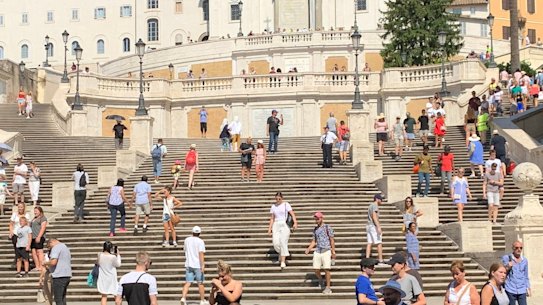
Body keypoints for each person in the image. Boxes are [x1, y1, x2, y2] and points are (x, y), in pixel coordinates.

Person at [304, 211, 336, 294]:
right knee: (316, 268)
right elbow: (314, 241)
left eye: (318, 219)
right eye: (316, 219)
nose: (316, 220)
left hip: (326, 249)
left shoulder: (327, 227)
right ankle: (321, 279)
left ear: (321, 218)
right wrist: (309, 248)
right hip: (318, 250)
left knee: (326, 268)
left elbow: (331, 239)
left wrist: (333, 251)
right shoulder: (315, 229)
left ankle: (328, 287)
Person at [268, 192, 298, 269]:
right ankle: (282, 253)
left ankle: (283, 261)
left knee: (283, 242)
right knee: (276, 243)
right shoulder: (273, 206)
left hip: (284, 224)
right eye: (276, 198)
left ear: (282, 198)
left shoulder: (286, 204)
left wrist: (295, 222)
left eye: (279, 198)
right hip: (276, 224)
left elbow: (292, 213)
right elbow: (272, 218)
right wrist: (269, 228)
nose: (278, 200)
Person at [181, 226, 207, 305]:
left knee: (188, 282)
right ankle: (202, 300)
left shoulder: (187, 240)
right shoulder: (200, 241)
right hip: (197, 265)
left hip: (189, 264)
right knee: (200, 283)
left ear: (192, 232)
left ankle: (183, 297)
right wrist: (202, 265)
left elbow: (185, 250)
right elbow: (201, 253)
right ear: (199, 233)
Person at [44, 237, 72, 305]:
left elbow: (53, 262)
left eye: (49, 247)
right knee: (63, 297)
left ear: (51, 242)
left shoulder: (56, 248)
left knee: (58, 299)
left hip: (59, 275)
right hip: (67, 275)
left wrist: (45, 263)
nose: (49, 249)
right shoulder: (65, 247)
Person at [97, 241, 121, 305]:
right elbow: (118, 264)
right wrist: (118, 255)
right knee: (116, 294)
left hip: (103, 277)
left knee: (104, 296)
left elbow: (98, 263)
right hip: (111, 278)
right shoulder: (112, 257)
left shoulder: (99, 255)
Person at [9, 203, 29, 267]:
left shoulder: (27, 215)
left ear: (24, 207)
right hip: (16, 233)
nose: (20, 208)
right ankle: (18, 261)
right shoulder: (14, 214)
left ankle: (24, 262)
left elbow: (28, 225)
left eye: (21, 207)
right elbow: (11, 224)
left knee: (23, 249)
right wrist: (11, 232)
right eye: (19, 207)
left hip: (24, 234)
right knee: (16, 249)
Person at [366, 194, 384, 263]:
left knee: (369, 242)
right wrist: (378, 227)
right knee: (379, 243)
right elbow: (374, 217)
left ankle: (367, 259)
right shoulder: (375, 205)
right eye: (380, 199)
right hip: (373, 226)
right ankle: (380, 260)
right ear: (377, 199)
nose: (381, 201)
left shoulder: (370, 205)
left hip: (368, 225)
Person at [31, 206, 48, 272]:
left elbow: (43, 228)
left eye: (36, 211)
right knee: (34, 252)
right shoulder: (34, 218)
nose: (35, 212)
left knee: (39, 252)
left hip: (39, 237)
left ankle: (41, 266)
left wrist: (39, 236)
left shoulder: (43, 218)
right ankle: (37, 266)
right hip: (32, 237)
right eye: (34, 211)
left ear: (40, 211)